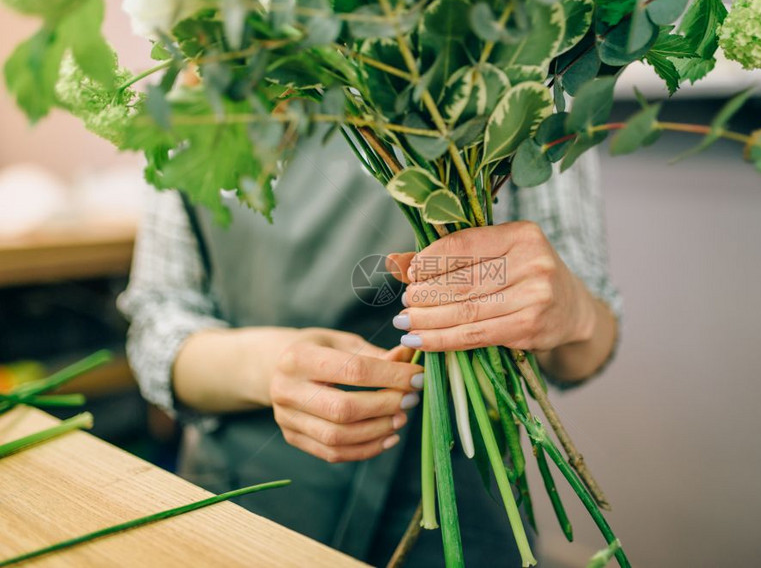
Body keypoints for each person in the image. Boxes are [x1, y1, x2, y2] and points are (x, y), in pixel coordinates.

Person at [118, 130, 622, 566]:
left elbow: (584, 354)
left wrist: (572, 308)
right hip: (249, 505)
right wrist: (270, 368)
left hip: (461, 507)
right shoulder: (196, 77)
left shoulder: (520, 51)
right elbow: (157, 323)